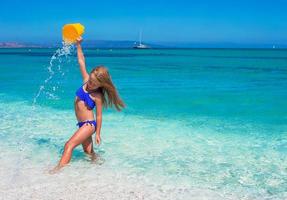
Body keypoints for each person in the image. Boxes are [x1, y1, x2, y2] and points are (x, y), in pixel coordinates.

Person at [50, 37, 126, 173]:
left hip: (89, 125)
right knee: (89, 152)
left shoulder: (97, 96)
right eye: (90, 80)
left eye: (94, 83)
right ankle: (100, 169)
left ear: (101, 85)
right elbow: (81, 61)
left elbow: (99, 116)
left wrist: (97, 133)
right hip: (81, 124)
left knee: (69, 145)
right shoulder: (86, 80)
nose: (90, 84)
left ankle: (57, 171)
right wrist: (78, 45)